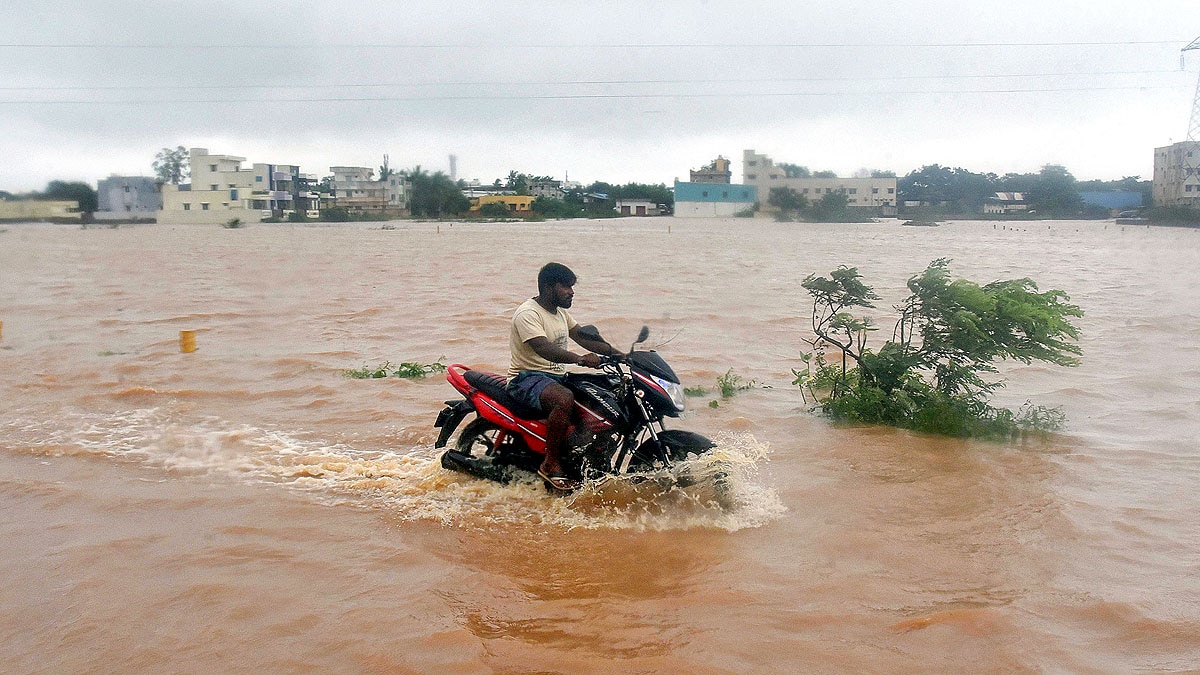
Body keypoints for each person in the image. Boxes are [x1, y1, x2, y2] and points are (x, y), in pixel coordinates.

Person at [507, 262, 617, 492]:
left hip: (556, 377)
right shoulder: (528, 314)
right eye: (565, 286)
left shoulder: (560, 313)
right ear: (548, 287)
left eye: (571, 287)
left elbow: (583, 337)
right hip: (526, 378)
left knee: (605, 399)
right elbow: (543, 348)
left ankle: (586, 456)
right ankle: (550, 463)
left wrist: (621, 355)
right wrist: (579, 359)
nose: (571, 292)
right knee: (563, 398)